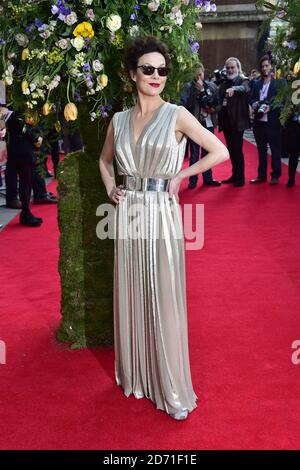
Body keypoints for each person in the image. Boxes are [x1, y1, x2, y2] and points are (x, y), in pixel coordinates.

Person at [99, 36, 229, 420]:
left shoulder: (177, 114)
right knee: (133, 289)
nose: (157, 76)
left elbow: (219, 151)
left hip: (160, 212)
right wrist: (110, 188)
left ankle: (171, 386)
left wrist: (181, 176)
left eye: (162, 70)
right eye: (148, 69)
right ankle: (138, 375)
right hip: (128, 214)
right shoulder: (118, 120)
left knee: (163, 295)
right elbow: (105, 163)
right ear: (132, 74)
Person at [0, 106, 43, 226]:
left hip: (20, 146)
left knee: (27, 180)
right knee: (26, 180)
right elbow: (19, 123)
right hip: (21, 147)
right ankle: (25, 213)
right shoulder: (14, 109)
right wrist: (35, 137)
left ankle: (26, 212)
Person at [181, 64, 221, 188]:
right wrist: (197, 90)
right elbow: (187, 106)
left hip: (208, 123)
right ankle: (193, 181)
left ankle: (208, 178)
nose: (199, 77)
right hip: (194, 124)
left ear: (203, 73)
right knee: (194, 153)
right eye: (196, 74)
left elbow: (218, 104)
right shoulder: (188, 88)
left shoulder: (211, 86)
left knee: (208, 152)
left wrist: (213, 109)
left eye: (200, 74)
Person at [250, 55, 286, 185]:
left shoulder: (279, 81)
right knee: (261, 150)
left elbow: (282, 100)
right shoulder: (257, 82)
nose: (264, 68)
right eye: (262, 66)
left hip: (273, 121)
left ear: (271, 66)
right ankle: (261, 175)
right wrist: (254, 104)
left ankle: (276, 175)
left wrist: (269, 107)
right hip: (259, 122)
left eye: (267, 66)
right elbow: (252, 98)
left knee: (275, 149)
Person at [218, 57, 250, 186]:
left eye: (232, 68)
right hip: (226, 122)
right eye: (228, 68)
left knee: (237, 150)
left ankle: (240, 178)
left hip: (238, 122)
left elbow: (245, 89)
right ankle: (235, 175)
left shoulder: (243, 81)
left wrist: (234, 89)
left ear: (238, 68)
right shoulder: (224, 83)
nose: (230, 70)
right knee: (231, 150)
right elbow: (220, 101)